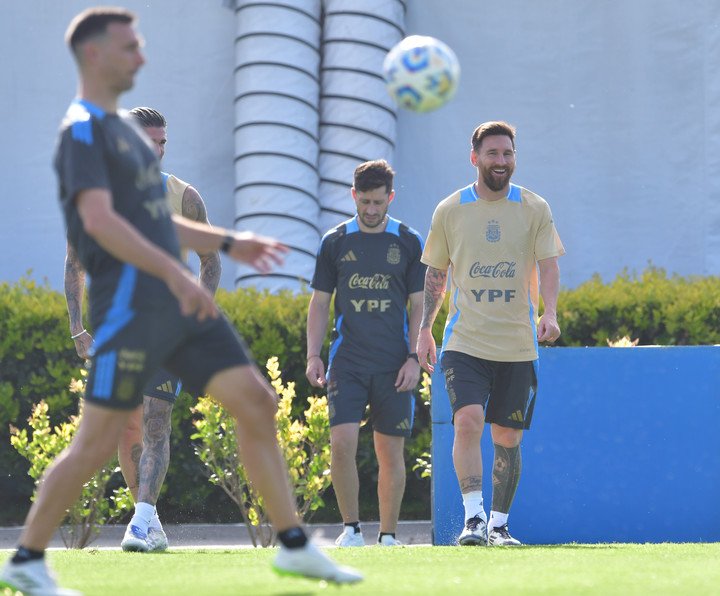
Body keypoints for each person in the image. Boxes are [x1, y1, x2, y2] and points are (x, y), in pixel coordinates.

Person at [0, 8, 361, 594]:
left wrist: (228, 241)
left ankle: (293, 545)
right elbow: (100, 222)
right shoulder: (84, 134)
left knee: (256, 403)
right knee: (96, 443)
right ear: (94, 55)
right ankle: (27, 557)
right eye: (130, 47)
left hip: (176, 309)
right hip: (128, 313)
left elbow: (159, 225)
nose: (142, 57)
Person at [64, 105, 222, 553]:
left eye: (162, 142)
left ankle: (142, 521)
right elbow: (74, 265)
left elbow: (211, 261)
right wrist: (78, 328)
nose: (157, 149)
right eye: (149, 141)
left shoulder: (183, 196)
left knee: (155, 422)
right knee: (126, 430)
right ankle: (147, 521)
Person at [416, 121, 565, 547]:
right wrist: (426, 329)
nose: (501, 161)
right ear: (475, 157)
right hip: (465, 342)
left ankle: (499, 525)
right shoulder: (450, 209)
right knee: (467, 421)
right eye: (493, 153)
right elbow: (436, 274)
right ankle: (473, 520)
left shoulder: (535, 208)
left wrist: (550, 312)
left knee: (507, 437)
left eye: (507, 154)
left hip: (518, 344)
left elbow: (549, 265)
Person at [306, 159, 425, 547]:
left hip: (395, 364)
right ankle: (351, 529)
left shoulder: (408, 240)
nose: (371, 210)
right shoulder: (335, 242)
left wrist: (414, 357)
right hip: (348, 363)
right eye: (365, 202)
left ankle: (388, 536)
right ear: (353, 196)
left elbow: (419, 304)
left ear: (390, 197)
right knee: (341, 445)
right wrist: (313, 355)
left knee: (389, 452)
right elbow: (320, 303)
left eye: (379, 202)